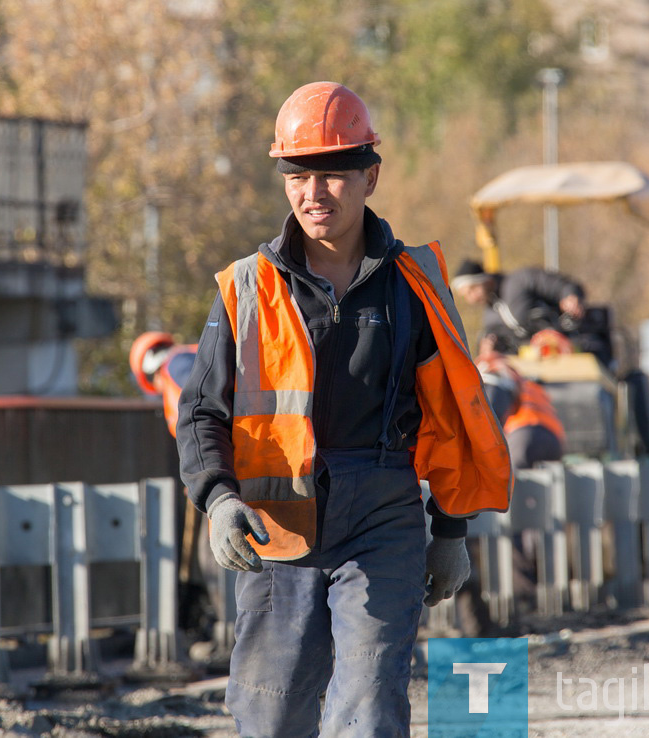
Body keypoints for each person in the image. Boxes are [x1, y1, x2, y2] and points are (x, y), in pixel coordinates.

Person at [174, 81, 512, 737]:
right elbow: (200, 412)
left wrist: (451, 531)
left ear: (370, 177)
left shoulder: (415, 284)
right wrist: (217, 500)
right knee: (271, 714)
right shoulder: (247, 286)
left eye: (332, 176)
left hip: (383, 516)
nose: (313, 193)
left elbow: (453, 416)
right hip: (278, 522)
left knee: (371, 706)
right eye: (298, 175)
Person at [451, 258, 587, 357]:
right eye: (466, 295)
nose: (472, 298)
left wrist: (570, 297)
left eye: (473, 289)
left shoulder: (521, 280)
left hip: (567, 347)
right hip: (530, 367)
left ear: (487, 281)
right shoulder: (489, 318)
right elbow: (492, 341)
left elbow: (563, 285)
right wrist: (487, 349)